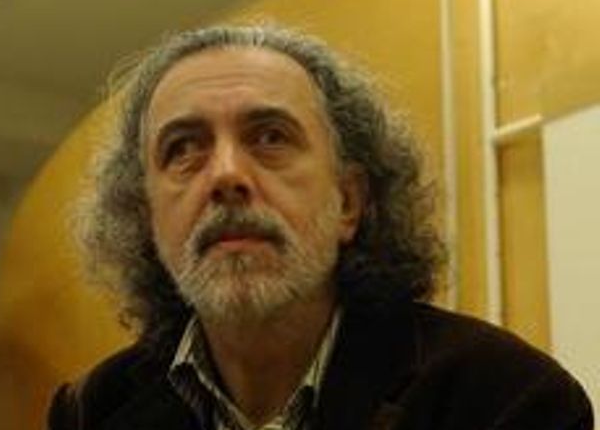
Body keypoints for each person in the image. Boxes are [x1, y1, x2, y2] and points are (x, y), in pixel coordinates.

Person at [47, 24, 593, 430]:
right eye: (184, 148)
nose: (227, 175)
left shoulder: (505, 398)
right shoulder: (92, 411)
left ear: (348, 203)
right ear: (146, 218)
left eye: (270, 137)